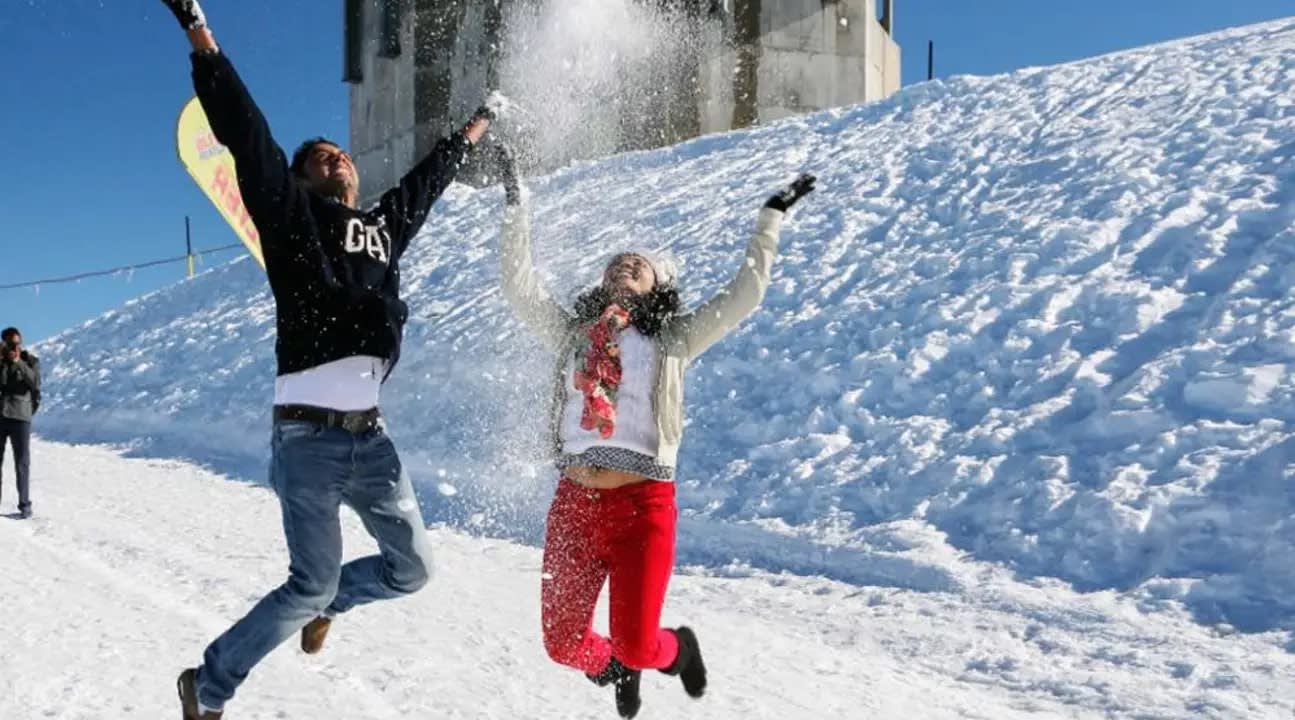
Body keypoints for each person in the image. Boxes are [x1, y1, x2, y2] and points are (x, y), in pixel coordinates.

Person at [155, 2, 498, 717]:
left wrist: (473, 129)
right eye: (319, 157)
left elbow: (424, 187)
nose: (336, 158)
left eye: (339, 154)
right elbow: (247, 137)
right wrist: (199, 35)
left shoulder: (378, 230)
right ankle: (208, 684)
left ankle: (330, 600)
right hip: (307, 437)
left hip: (371, 439)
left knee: (412, 572)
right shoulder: (290, 219)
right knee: (305, 582)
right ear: (303, 180)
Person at [494, 144, 815, 718]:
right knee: (563, 645)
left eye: (639, 264)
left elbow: (745, 296)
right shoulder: (574, 334)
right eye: (618, 261)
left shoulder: (675, 339)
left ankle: (676, 650)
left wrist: (769, 219)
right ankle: (616, 667)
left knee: (643, 642)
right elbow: (520, 288)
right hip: (574, 503)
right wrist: (517, 203)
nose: (626, 265)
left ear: (656, 284)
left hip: (643, 504)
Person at [0, 326, 39, 520]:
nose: (14, 347)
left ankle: (25, 505)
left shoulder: (30, 361)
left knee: (22, 462)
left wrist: (18, 363)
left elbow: (34, 383)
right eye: (9, 343)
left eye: (17, 342)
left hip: (21, 416)